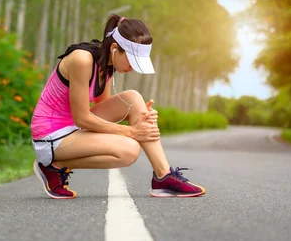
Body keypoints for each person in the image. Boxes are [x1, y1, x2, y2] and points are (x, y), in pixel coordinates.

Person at [30, 14, 206, 199]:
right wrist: (132, 132)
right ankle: (52, 166)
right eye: (131, 60)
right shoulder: (81, 60)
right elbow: (83, 118)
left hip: (72, 128)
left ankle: (163, 176)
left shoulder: (107, 65)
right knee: (129, 150)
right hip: (51, 135)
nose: (133, 67)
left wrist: (142, 117)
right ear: (115, 48)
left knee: (133, 98)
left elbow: (102, 111)